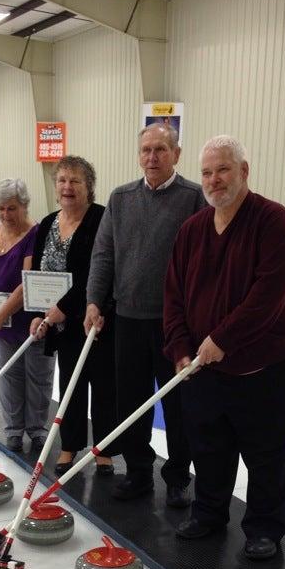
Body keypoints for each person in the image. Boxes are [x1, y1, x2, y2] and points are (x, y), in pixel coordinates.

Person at [163, 135, 285, 560]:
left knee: (268, 452)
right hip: (205, 367)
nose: (214, 180)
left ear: (244, 171)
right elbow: (173, 295)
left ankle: (264, 527)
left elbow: (271, 295)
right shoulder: (192, 231)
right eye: (207, 173)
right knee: (209, 445)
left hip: (268, 367)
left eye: (223, 169)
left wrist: (222, 339)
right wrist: (180, 348)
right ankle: (209, 512)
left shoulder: (272, 221)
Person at [84, 123, 205, 507]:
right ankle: (138, 471)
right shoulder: (121, 198)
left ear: (176, 154)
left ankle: (176, 477)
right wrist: (93, 301)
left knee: (179, 405)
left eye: (161, 150)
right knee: (131, 402)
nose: (152, 157)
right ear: (139, 155)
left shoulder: (194, 198)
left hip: (174, 325)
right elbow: (103, 254)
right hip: (128, 320)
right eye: (146, 150)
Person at [29, 156, 118, 474]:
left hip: (96, 318)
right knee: (70, 384)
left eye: (75, 181)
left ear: (89, 187)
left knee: (104, 384)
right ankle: (69, 446)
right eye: (62, 180)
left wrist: (63, 308)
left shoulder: (102, 219)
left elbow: (96, 272)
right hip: (61, 323)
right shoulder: (47, 222)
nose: (67, 187)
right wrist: (40, 312)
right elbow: (38, 272)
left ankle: (104, 451)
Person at [0, 178, 55, 453]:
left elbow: (26, 283)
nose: (6, 215)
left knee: (38, 378)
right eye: (1, 209)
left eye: (12, 209)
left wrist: (0, 312)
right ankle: (14, 430)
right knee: (9, 377)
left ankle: (37, 429)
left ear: (25, 206)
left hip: (32, 320)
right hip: (2, 323)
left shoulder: (36, 234)